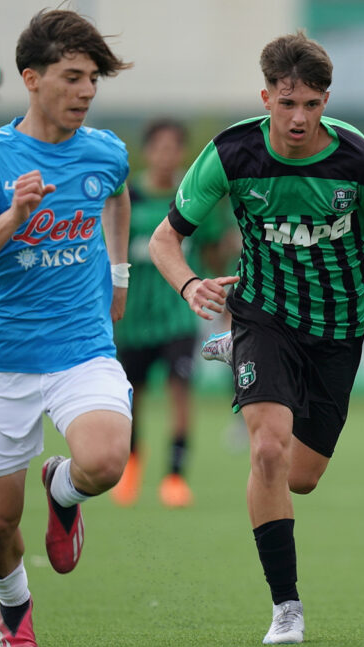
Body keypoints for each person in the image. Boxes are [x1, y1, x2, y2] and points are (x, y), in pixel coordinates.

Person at [149, 32, 364, 644]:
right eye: (286, 103)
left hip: (337, 329)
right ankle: (286, 608)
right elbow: (164, 240)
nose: (299, 117)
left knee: (301, 476)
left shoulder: (358, 162)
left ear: (326, 101)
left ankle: (243, 360)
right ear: (266, 97)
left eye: (311, 104)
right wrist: (189, 284)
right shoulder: (231, 153)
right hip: (264, 316)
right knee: (268, 453)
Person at [0, 9, 132, 647]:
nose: (85, 92)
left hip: (81, 346)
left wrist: (120, 274)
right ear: (31, 78)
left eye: (93, 80)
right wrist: (15, 216)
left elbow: (118, 192)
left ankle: (64, 485)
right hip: (0, 357)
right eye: (72, 77)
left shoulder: (104, 152)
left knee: (106, 459)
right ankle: (15, 611)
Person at [111, 119, 230, 508]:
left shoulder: (191, 196)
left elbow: (214, 248)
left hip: (179, 316)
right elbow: (110, 253)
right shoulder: (128, 198)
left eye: (174, 148)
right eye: (159, 147)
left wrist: (221, 289)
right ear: (147, 151)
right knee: (132, 398)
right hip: (133, 321)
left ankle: (175, 477)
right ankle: (131, 465)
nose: (167, 155)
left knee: (180, 394)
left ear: (182, 153)